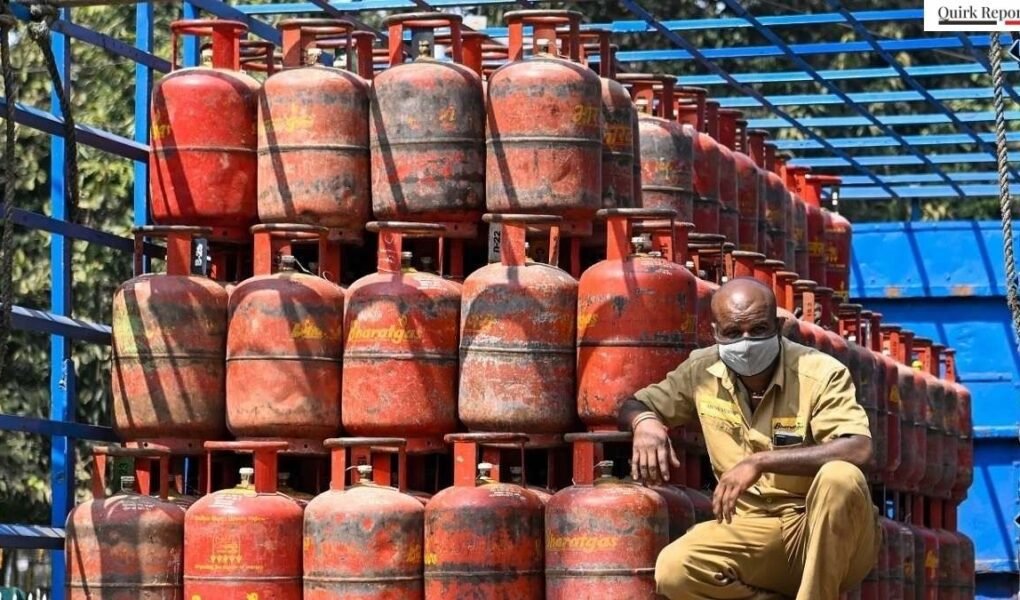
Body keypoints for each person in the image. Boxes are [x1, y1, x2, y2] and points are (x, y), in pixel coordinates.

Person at [616, 277, 880, 600]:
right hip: (754, 530)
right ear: (714, 332)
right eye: (732, 333)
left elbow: (859, 447)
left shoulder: (820, 373)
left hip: (821, 529)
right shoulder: (702, 371)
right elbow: (634, 404)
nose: (745, 342)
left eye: (757, 330)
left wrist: (760, 461)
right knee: (675, 570)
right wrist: (645, 423)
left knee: (841, 477)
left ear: (778, 326)